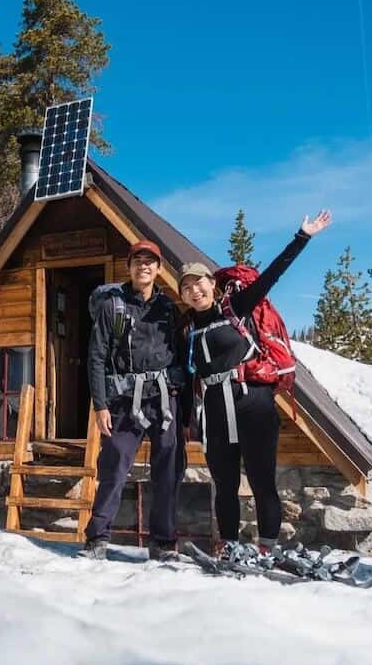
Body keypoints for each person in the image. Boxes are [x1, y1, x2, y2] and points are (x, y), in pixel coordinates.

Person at [178, 211, 333, 558]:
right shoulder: (186, 329)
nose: (194, 290)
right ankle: (230, 545)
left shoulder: (236, 307)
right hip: (216, 411)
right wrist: (186, 422)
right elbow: (190, 379)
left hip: (254, 403)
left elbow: (271, 276)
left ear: (211, 284)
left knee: (263, 482)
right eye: (186, 287)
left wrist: (302, 236)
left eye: (198, 283)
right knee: (225, 486)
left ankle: (267, 547)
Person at [79, 240, 187, 561]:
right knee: (113, 467)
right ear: (129, 267)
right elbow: (96, 357)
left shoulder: (169, 309)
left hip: (166, 401)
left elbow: (183, 356)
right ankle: (97, 539)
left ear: (158, 269)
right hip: (124, 403)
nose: (144, 266)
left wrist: (187, 412)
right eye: (138, 261)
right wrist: (100, 406)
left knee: (168, 470)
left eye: (150, 261)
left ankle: (163, 542)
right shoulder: (112, 306)